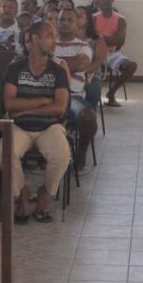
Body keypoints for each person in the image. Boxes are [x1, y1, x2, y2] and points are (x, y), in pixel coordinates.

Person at [2, 21, 71, 224]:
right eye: (49, 35)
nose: (54, 40)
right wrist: (42, 100)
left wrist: (27, 109)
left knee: (61, 155)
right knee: (5, 153)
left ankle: (45, 194)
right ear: (33, 39)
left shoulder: (57, 71)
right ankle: (22, 192)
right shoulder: (15, 68)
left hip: (50, 126)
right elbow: (9, 104)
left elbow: (60, 107)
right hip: (19, 126)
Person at [55, 9, 98, 172]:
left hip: (72, 96)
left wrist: (51, 61)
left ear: (76, 24)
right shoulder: (49, 43)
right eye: (62, 20)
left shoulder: (83, 46)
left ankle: (81, 153)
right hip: (48, 95)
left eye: (69, 20)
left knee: (88, 119)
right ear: (57, 23)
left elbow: (80, 64)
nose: (65, 23)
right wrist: (66, 64)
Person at [94, 0, 137, 107]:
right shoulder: (93, 18)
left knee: (131, 66)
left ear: (112, 0)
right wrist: (109, 39)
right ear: (98, 1)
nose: (105, 0)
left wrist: (100, 37)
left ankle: (111, 93)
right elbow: (91, 39)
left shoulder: (120, 19)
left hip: (111, 53)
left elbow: (119, 40)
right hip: (94, 52)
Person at [74, 6, 108, 110]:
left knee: (93, 88)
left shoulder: (96, 39)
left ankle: (89, 117)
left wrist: (83, 72)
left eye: (79, 16)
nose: (76, 18)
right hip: (70, 72)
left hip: (90, 74)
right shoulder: (67, 36)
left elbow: (98, 61)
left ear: (88, 20)